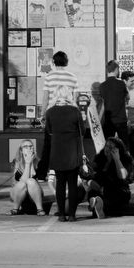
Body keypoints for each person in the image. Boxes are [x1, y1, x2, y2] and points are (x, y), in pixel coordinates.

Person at [45, 85, 85, 222]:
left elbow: (49, 131)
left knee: (60, 184)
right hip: (72, 151)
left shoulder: (50, 112)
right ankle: (72, 215)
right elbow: (82, 131)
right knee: (72, 184)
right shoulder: (75, 111)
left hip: (57, 151)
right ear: (69, 95)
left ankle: (61, 214)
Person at [37, 51, 79, 180]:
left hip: (52, 114)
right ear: (66, 62)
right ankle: (66, 172)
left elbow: (45, 98)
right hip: (68, 115)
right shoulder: (72, 77)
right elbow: (75, 98)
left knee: (48, 145)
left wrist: (43, 114)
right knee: (67, 145)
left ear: (54, 62)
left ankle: (41, 174)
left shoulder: (49, 77)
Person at [91, 137, 132, 216]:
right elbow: (93, 173)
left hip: (118, 191)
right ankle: (97, 205)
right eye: (106, 146)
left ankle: (97, 206)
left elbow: (123, 176)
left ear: (118, 149)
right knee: (92, 190)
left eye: (111, 147)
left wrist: (117, 159)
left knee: (110, 194)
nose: (107, 148)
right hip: (101, 190)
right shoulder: (99, 158)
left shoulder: (124, 159)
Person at [9, 140, 46, 216]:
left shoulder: (39, 162)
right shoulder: (16, 162)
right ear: (21, 150)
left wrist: (31, 162)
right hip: (18, 193)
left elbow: (34, 177)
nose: (29, 148)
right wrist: (27, 163)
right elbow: (23, 180)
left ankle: (40, 209)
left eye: (31, 146)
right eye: (25, 147)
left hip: (34, 193)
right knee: (22, 184)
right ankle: (15, 208)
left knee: (31, 181)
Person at [100, 60, 130, 147]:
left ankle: (110, 160)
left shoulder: (102, 86)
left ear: (107, 70)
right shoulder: (121, 83)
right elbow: (128, 97)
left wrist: (98, 119)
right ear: (116, 69)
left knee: (108, 146)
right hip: (121, 120)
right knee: (124, 145)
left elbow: (103, 105)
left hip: (108, 121)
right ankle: (125, 160)